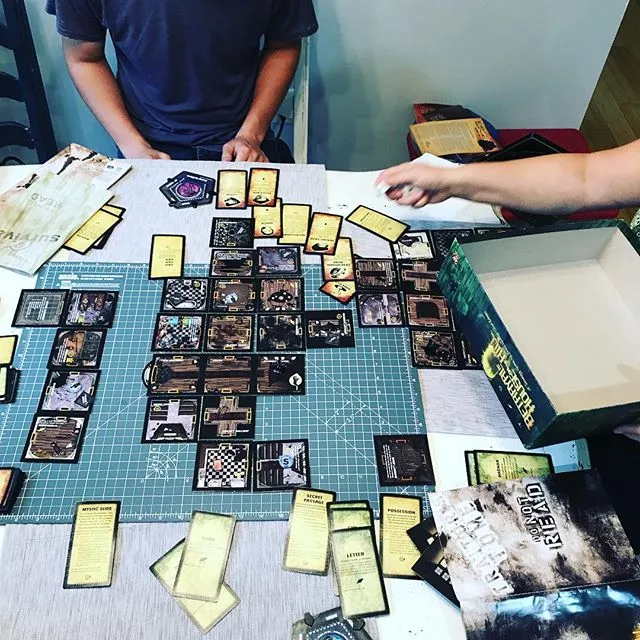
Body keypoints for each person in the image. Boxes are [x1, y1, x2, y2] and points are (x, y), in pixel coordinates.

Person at [378, 140, 640, 552]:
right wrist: (453, 180)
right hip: (596, 343)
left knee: (581, 548)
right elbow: (587, 178)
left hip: (625, 444)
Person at [45, 1, 318, 162]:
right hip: (144, 144)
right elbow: (85, 58)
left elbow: (283, 45)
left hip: (243, 138)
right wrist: (133, 146)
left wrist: (251, 135)